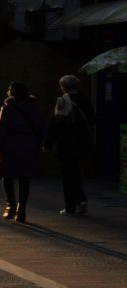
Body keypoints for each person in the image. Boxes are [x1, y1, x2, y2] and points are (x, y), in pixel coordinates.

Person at [44, 74, 96, 216]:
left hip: (65, 145)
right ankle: (81, 200)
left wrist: (47, 144)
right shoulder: (85, 100)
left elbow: (54, 124)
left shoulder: (62, 101)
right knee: (77, 173)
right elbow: (92, 120)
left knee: (68, 176)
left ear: (63, 87)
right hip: (82, 144)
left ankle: (70, 206)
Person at [0, 81, 44, 223]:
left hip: (10, 146)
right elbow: (40, 128)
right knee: (24, 177)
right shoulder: (33, 107)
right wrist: (37, 145)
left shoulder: (7, 108)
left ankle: (10, 205)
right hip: (28, 145)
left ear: (12, 92)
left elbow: (1, 128)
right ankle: (22, 209)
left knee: (7, 175)